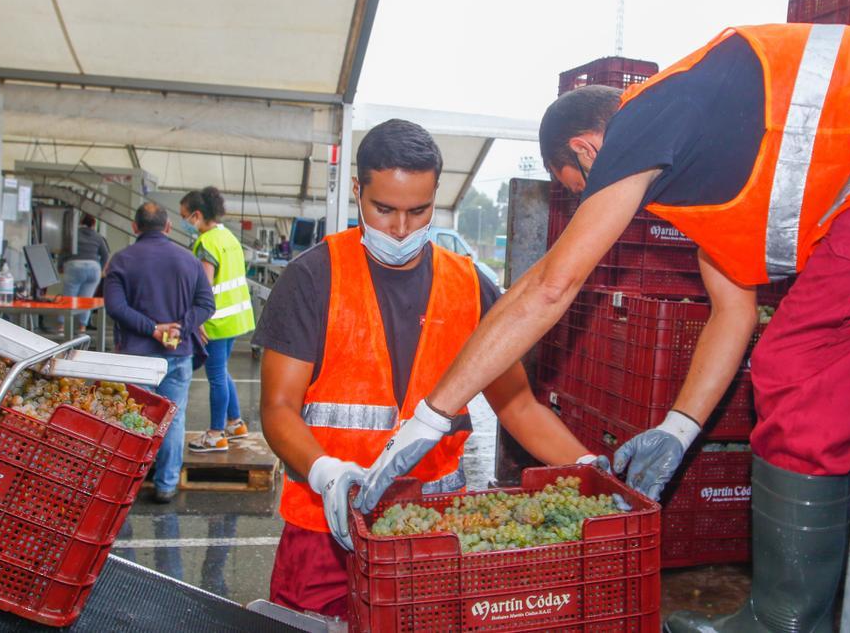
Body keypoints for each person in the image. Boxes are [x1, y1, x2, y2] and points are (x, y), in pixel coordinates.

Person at [348, 25, 850, 633]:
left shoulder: (647, 117)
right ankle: (802, 613)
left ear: (590, 150)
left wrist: (431, 417)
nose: (594, 204)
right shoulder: (709, 166)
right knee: (816, 368)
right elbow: (735, 310)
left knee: (799, 365)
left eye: (580, 188)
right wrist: (678, 429)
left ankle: (782, 622)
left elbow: (551, 286)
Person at [254, 119, 603, 619]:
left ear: (436, 195)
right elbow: (278, 407)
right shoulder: (313, 278)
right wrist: (326, 472)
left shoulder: (468, 285)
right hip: (323, 530)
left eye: (419, 211)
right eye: (384, 209)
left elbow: (518, 405)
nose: (401, 228)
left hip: (431, 530)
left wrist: (588, 469)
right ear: (358, 192)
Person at [104, 203, 215, 503]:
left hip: (135, 356)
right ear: (167, 227)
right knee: (173, 419)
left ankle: (127, 483)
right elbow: (207, 304)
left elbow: (115, 307)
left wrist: (151, 328)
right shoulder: (189, 260)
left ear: (135, 227)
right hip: (178, 353)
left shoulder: (121, 260)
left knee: (133, 417)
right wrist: (180, 328)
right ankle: (166, 485)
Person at [180, 187, 257, 453]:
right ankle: (235, 423)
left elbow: (204, 285)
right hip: (235, 317)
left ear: (197, 215)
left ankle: (215, 434)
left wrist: (197, 320)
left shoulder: (208, 243)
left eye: (185, 216)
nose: (185, 221)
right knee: (222, 371)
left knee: (215, 377)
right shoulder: (228, 237)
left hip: (215, 321)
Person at [59, 214, 110, 332]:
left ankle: (62, 327)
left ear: (81, 222)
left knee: (68, 298)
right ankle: (82, 327)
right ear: (93, 224)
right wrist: (100, 268)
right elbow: (105, 254)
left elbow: (64, 251)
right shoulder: (98, 237)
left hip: (74, 266)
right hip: (93, 268)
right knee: (86, 300)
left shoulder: (73, 235)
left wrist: (60, 265)